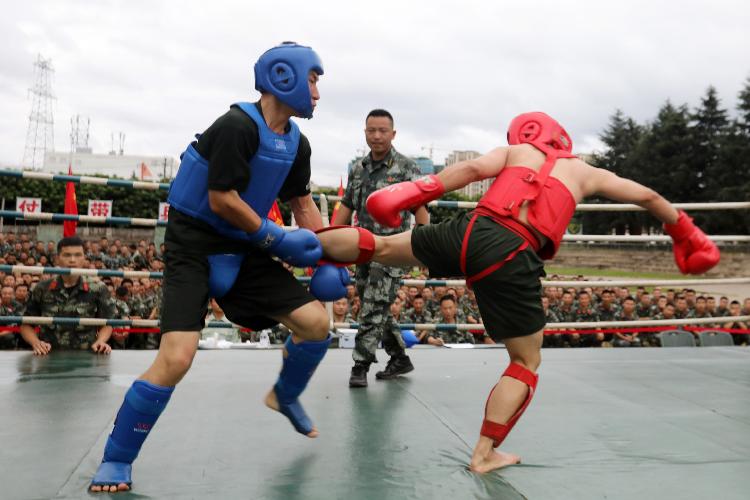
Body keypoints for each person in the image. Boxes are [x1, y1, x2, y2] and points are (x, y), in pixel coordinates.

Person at [316, 111, 720, 473]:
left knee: (383, 246)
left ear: (524, 134)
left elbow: (473, 168)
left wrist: (415, 191)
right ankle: (484, 454)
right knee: (525, 360)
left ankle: (295, 244)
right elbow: (648, 196)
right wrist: (685, 230)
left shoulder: (516, 153)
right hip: (511, 252)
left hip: (470, 230)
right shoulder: (585, 171)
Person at [89, 42, 333, 493]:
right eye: (314, 79)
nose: (318, 92)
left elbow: (300, 202)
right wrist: (277, 239)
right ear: (285, 77)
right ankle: (117, 458)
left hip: (247, 243)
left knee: (317, 323)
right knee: (177, 357)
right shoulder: (236, 125)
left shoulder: (298, 143)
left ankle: (285, 394)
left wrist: (328, 253)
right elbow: (222, 199)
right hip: (195, 244)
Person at [331, 108, 429, 388]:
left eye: (382, 131)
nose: (376, 136)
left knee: (373, 308)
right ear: (365, 133)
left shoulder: (407, 168)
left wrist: (423, 246)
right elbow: (347, 206)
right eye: (371, 130)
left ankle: (360, 364)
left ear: (393, 134)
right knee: (377, 306)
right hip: (361, 247)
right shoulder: (358, 168)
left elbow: (420, 209)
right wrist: (331, 240)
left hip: (394, 251)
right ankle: (399, 357)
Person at [20, 236, 116, 355]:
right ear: (57, 259)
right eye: (66, 255)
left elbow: (107, 323)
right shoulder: (42, 288)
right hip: (49, 356)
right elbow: (26, 324)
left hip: (87, 356)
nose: (72, 260)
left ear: (84, 258)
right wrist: (36, 343)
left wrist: (101, 341)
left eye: (77, 255)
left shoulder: (98, 288)